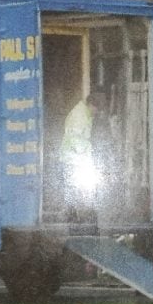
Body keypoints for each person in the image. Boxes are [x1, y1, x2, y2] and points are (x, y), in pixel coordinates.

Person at [60, 88, 110, 221]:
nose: (97, 113)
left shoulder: (85, 113)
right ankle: (76, 222)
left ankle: (77, 220)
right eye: (97, 109)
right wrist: (86, 155)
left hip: (75, 160)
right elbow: (75, 139)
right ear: (92, 105)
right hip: (73, 161)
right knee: (76, 194)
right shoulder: (79, 115)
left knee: (76, 194)